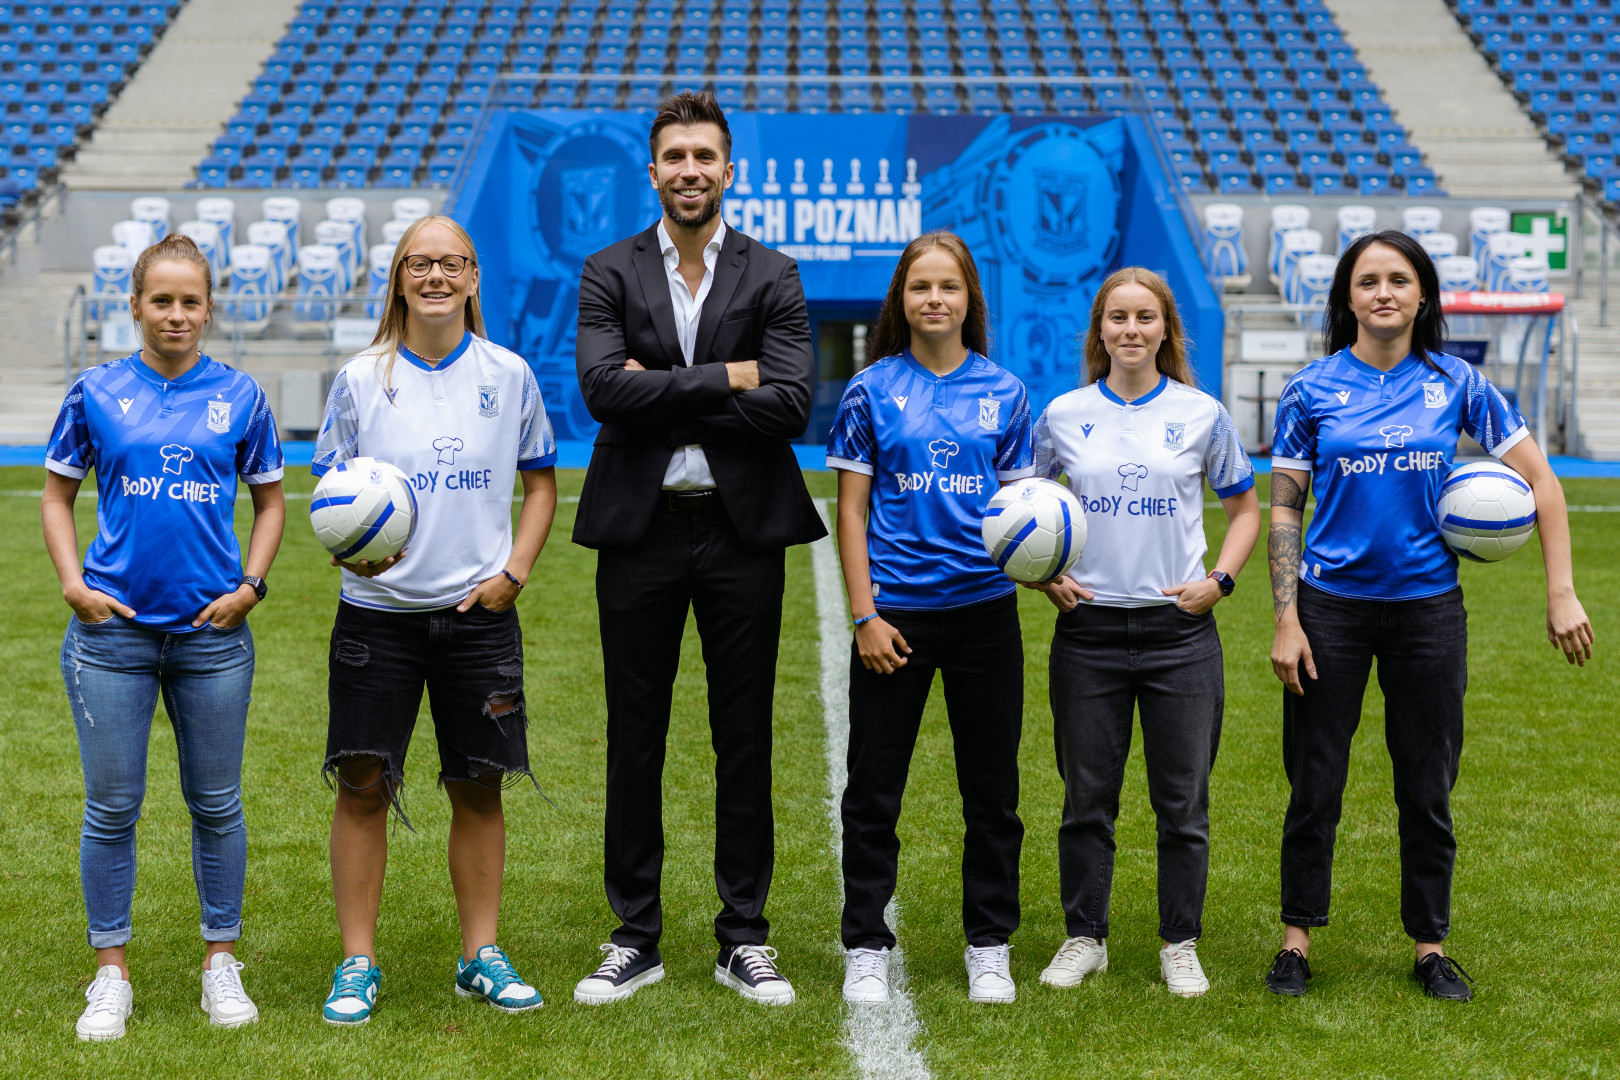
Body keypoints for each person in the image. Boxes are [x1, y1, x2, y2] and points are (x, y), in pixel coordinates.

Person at [1264, 230, 1594, 1001]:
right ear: (1347, 298)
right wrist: (1286, 616)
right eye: (1368, 280)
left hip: (1428, 612)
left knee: (1426, 785)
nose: (1383, 292)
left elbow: (1543, 482)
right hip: (1331, 609)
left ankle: (1430, 947)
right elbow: (1284, 506)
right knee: (1315, 781)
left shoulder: (1458, 383)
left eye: (1399, 279)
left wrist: (1561, 590)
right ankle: (1295, 943)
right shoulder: (1310, 388)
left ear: (1422, 296)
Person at [570, 90, 825, 1007]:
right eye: (674, 157)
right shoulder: (609, 269)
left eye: (703, 157)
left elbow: (790, 404)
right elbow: (602, 391)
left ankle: (742, 935)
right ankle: (634, 935)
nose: (689, 171)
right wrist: (729, 376)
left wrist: (667, 388)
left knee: (743, 736)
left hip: (740, 530)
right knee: (634, 737)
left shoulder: (774, 273)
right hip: (638, 531)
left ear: (728, 170)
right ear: (653, 172)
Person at [311, 214, 560, 1024]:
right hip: (375, 621)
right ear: (399, 277)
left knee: (479, 788)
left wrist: (514, 574)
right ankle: (357, 961)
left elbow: (541, 484)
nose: (435, 277)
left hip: (478, 620)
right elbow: (330, 494)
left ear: (474, 277)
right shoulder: (360, 378)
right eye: (419, 263)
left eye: (452, 263)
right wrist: (349, 552)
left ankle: (479, 955)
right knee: (363, 788)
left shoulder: (509, 374)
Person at [42, 234, 286, 1040]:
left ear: (209, 308)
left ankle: (221, 962)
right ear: (135, 305)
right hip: (111, 636)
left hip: (213, 637)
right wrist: (74, 585)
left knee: (216, 803)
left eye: (189, 301)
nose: (175, 314)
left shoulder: (242, 396)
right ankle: (110, 974)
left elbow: (271, 502)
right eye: (161, 300)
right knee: (112, 807)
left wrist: (250, 587)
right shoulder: (95, 391)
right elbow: (56, 496)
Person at [1029, 267, 1260, 998]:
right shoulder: (1063, 414)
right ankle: (1084, 937)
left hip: (1180, 635)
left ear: (1166, 330)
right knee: (1085, 799)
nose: (1131, 330)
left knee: (1182, 804)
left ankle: (1179, 943)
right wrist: (1042, 576)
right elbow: (1020, 505)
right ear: (1099, 330)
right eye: (1118, 317)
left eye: (1145, 317)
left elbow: (1245, 509)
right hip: (1088, 633)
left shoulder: (1200, 414)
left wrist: (1219, 581)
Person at [827, 232, 1035, 1006]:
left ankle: (989, 943)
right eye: (921, 287)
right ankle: (865, 945)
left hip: (986, 614)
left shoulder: (1005, 393)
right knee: (873, 792)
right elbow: (851, 513)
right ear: (901, 300)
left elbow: (1022, 514)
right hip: (896, 619)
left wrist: (1050, 573)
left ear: (970, 298)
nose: (935, 299)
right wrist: (865, 615)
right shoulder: (870, 390)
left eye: (949, 287)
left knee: (993, 792)